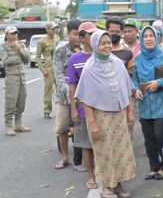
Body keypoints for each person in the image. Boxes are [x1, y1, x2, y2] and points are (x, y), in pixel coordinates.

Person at [75, 30, 136, 198]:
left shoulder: (117, 63)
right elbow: (85, 98)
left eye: (108, 42)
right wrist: (92, 123)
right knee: (105, 151)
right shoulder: (89, 68)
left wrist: (130, 111)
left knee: (122, 149)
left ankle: (119, 184)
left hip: (119, 114)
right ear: (95, 45)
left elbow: (127, 88)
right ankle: (107, 186)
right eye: (102, 43)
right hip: (101, 116)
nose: (107, 46)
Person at [132, 26, 163, 181]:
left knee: (160, 135)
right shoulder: (138, 58)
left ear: (157, 39)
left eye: (152, 36)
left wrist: (159, 82)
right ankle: (154, 167)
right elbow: (135, 78)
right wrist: (136, 89)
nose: (149, 39)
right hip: (145, 104)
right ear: (142, 39)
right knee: (148, 137)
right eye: (145, 36)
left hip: (162, 103)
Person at [66, 22, 97, 189]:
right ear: (82, 38)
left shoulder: (103, 55)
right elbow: (72, 87)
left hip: (104, 109)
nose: (94, 38)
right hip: (83, 108)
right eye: (90, 35)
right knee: (86, 145)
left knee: (103, 144)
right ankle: (91, 176)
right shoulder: (75, 59)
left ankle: (105, 174)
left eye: (95, 34)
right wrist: (73, 110)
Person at [53, 20, 84, 171]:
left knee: (81, 127)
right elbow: (58, 75)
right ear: (68, 33)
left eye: (81, 34)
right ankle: (65, 157)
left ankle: (82, 159)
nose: (78, 37)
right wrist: (69, 93)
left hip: (83, 96)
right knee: (62, 127)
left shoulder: (87, 48)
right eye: (75, 34)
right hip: (64, 96)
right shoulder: (60, 50)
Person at [0, 26, 31, 136]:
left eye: (15, 33)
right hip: (12, 77)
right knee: (11, 101)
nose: (14, 35)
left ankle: (18, 124)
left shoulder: (21, 44)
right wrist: (19, 57)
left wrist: (18, 49)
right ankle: (9, 125)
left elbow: (27, 58)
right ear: (6, 35)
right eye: (11, 33)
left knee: (22, 101)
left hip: (22, 76)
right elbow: (6, 61)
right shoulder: (3, 47)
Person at [36, 21, 60, 119]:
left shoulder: (57, 38)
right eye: (52, 28)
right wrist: (43, 69)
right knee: (48, 91)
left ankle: (61, 109)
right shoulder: (42, 41)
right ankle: (47, 110)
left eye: (55, 28)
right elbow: (37, 57)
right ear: (47, 30)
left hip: (58, 67)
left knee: (61, 90)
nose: (54, 30)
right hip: (49, 69)